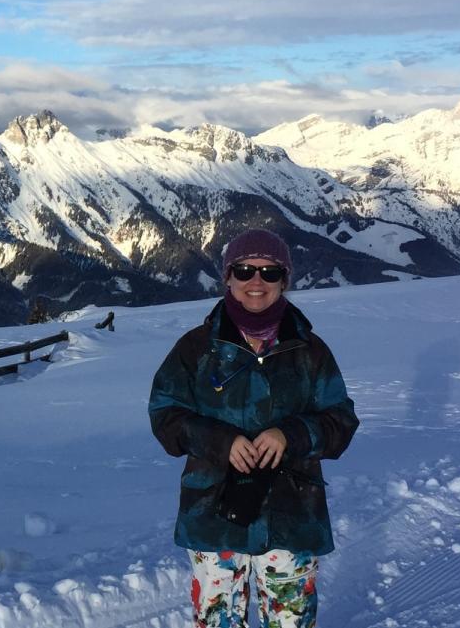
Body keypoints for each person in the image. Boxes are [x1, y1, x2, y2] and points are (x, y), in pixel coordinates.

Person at [147, 228, 358, 628]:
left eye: (269, 272)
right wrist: (219, 442)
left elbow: (341, 421)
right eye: (244, 271)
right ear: (227, 277)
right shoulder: (195, 349)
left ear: (285, 279)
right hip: (214, 516)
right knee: (217, 621)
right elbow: (165, 416)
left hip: (291, 516)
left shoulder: (310, 351)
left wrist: (291, 435)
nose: (255, 282)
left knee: (290, 622)